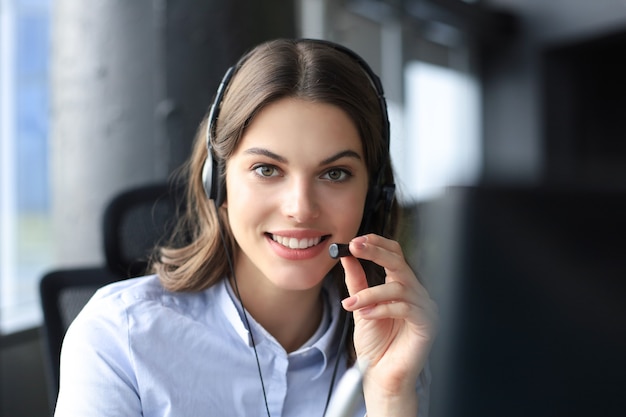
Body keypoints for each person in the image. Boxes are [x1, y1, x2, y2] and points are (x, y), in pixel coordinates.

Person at [54, 38, 438, 417]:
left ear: (374, 196)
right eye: (267, 170)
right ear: (217, 182)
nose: (300, 209)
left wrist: (390, 397)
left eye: (335, 173)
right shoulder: (119, 337)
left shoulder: (399, 344)